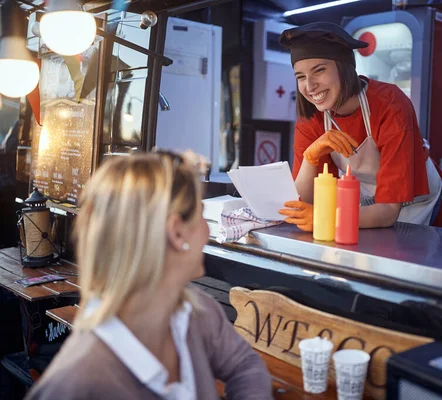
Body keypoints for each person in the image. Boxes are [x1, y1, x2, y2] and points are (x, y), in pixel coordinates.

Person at [26, 151, 273, 400]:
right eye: (201, 214)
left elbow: (245, 366)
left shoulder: (196, 313)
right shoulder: (74, 385)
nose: (208, 229)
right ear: (176, 233)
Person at [278, 22, 442, 231]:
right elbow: (304, 200)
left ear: (344, 68)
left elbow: (388, 212)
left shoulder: (390, 104)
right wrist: (311, 158)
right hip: (367, 200)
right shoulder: (312, 118)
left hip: (414, 201)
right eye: (300, 77)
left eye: (319, 71)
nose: (309, 87)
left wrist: (325, 219)